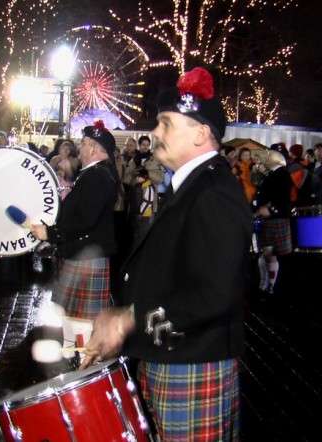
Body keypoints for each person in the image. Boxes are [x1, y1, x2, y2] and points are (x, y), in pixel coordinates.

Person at [81, 67, 251, 441]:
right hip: (171, 356)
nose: (155, 133)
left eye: (166, 123)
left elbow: (214, 295)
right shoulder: (191, 188)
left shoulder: (213, 193)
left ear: (201, 132)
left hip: (191, 362)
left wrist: (129, 319)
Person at [30, 120, 118, 321]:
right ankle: (73, 350)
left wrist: (51, 234)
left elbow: (86, 220)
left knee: (82, 324)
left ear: (94, 148)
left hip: (86, 257)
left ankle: (79, 352)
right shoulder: (91, 173)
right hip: (82, 254)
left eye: (83, 143)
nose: (79, 147)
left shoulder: (98, 175)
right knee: (73, 320)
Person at [254, 150, 293, 293]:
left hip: (275, 218)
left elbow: (282, 198)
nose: (263, 159)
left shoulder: (282, 174)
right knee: (266, 254)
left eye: (267, 157)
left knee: (270, 255)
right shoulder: (273, 174)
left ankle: (270, 286)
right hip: (269, 218)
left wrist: (270, 209)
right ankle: (266, 284)